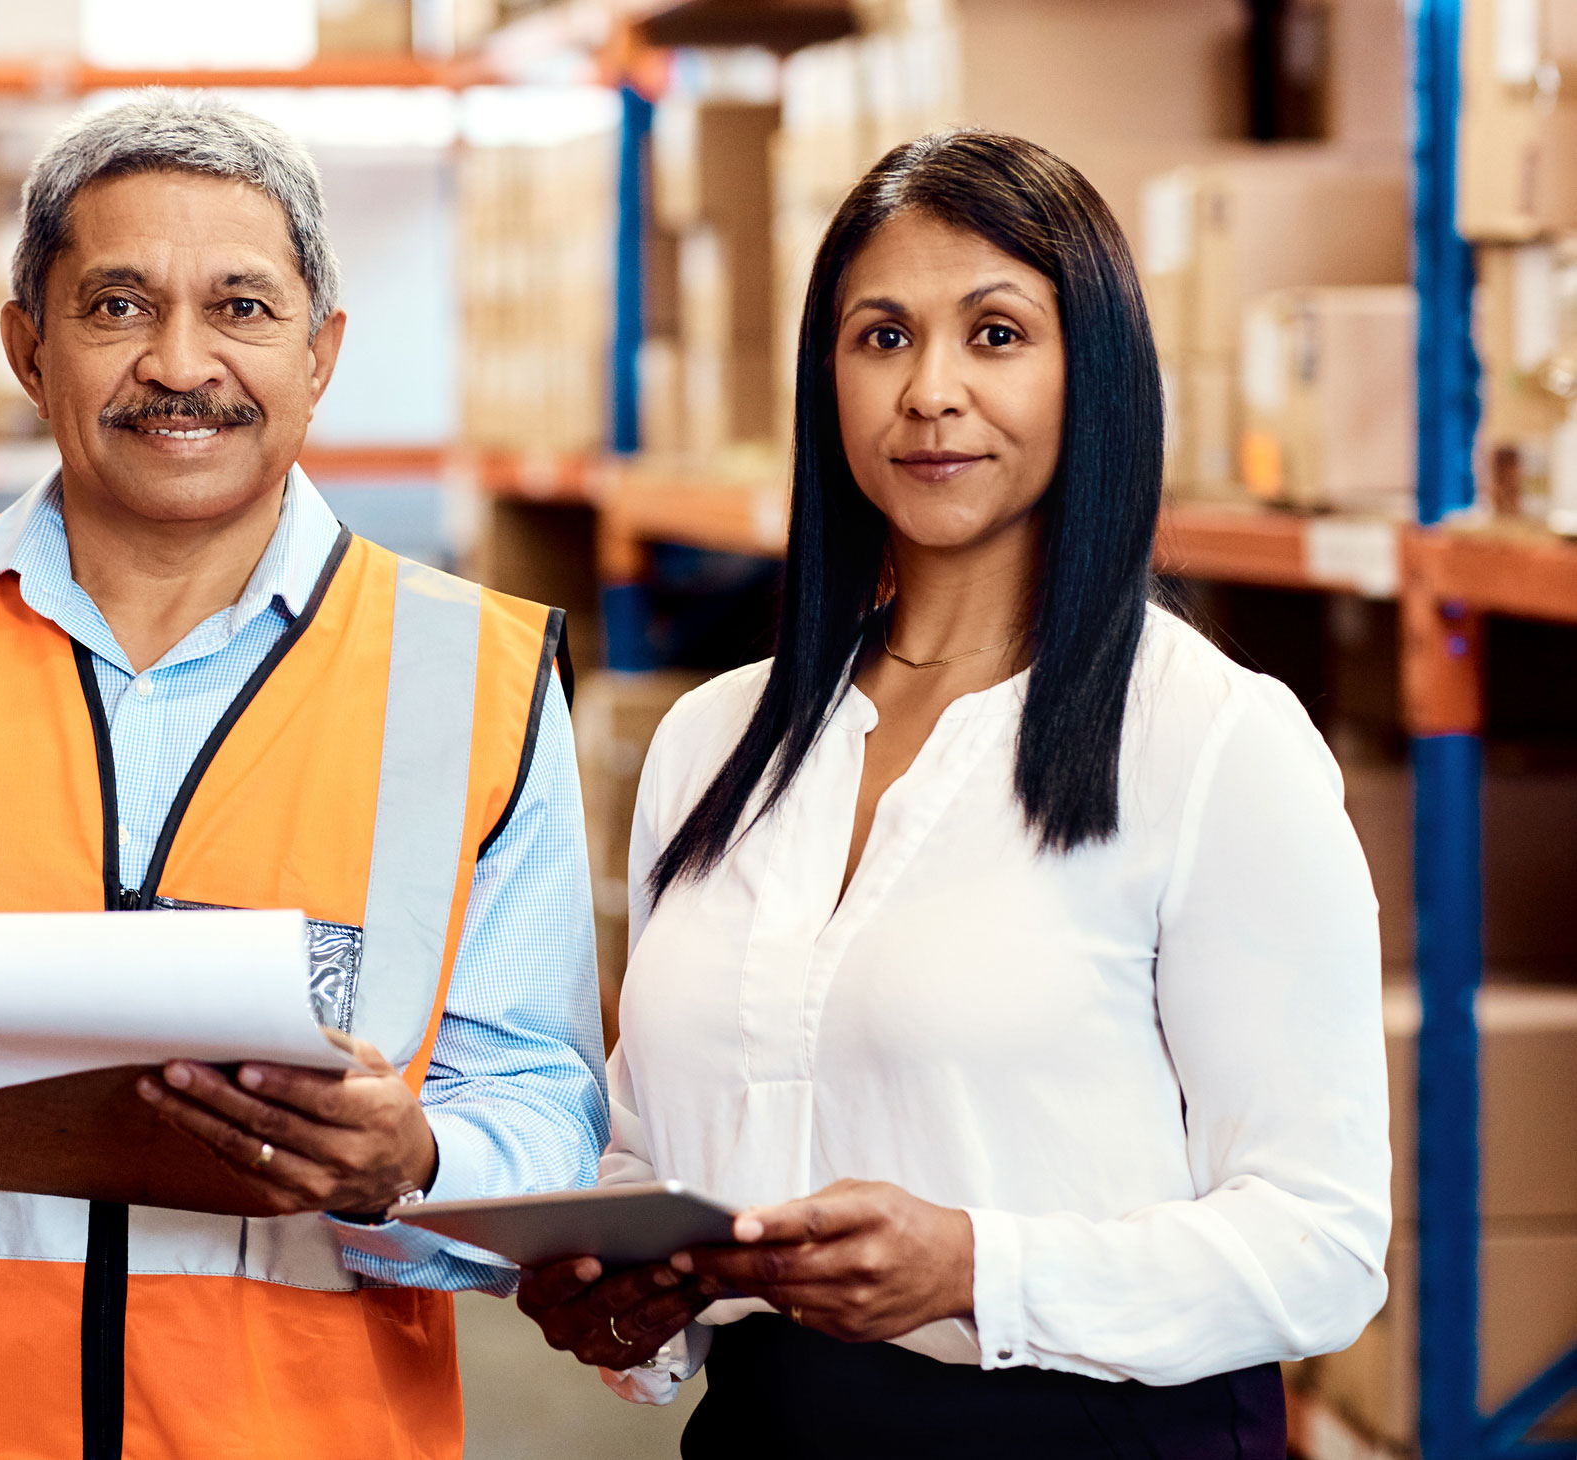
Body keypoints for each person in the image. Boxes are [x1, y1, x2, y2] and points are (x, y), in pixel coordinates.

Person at [0, 91, 606, 1460]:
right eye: (114, 306)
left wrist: (418, 1166)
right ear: (26, 350)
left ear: (321, 352)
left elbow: (546, 1106)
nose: (179, 361)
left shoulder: (471, 675)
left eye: (242, 308)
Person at [518, 129, 1389, 1457]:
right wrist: (625, 1288)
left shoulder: (1213, 743)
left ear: (1088, 369)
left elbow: (1318, 1245)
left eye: (993, 335)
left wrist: (980, 1270)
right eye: (880, 337)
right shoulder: (713, 745)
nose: (928, 391)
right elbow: (655, 1146)